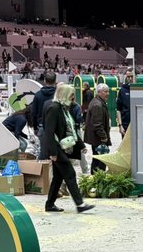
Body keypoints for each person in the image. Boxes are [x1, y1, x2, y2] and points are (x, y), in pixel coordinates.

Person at [42, 84, 95, 214]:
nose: (73, 98)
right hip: (57, 149)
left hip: (62, 148)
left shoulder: (64, 108)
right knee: (70, 173)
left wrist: (81, 145)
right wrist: (53, 152)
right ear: (65, 95)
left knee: (58, 177)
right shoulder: (54, 108)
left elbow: (70, 130)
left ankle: (50, 204)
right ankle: (79, 203)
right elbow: (49, 132)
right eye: (71, 95)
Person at [84, 83, 113, 172]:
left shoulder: (99, 102)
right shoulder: (97, 104)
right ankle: (97, 180)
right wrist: (103, 136)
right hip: (98, 139)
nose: (107, 93)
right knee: (100, 161)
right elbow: (97, 124)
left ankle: (95, 179)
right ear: (99, 92)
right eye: (105, 91)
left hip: (97, 138)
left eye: (108, 91)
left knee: (97, 159)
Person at [27, 70, 58, 142]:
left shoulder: (38, 95)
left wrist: (35, 128)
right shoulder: (58, 94)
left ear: (44, 80)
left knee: (43, 150)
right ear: (55, 81)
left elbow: (34, 113)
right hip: (57, 127)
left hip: (41, 126)